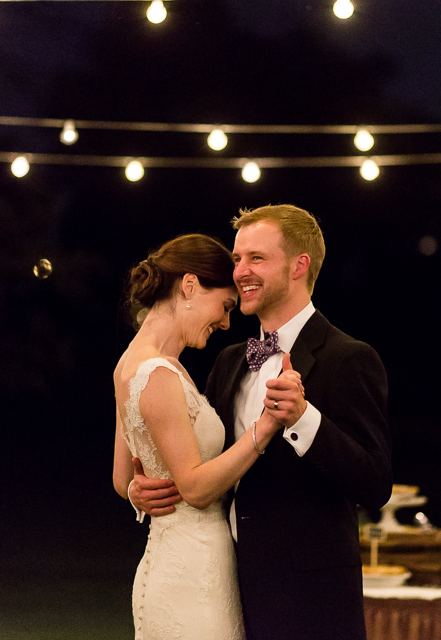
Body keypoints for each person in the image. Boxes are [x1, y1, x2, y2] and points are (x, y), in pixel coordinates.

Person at [133, 205, 393, 640]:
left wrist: (304, 418)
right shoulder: (230, 361)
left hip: (308, 604)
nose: (240, 272)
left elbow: (375, 483)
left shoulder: (348, 358)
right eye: (237, 259)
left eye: (256, 258)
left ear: (299, 265)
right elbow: (203, 464)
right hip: (224, 591)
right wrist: (141, 487)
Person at [112, 233, 302, 640]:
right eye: (226, 306)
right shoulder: (159, 374)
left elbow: (120, 475)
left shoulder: (129, 364)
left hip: (172, 560)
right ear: (190, 286)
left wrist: (135, 491)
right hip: (192, 575)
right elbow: (196, 489)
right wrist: (266, 427)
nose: (226, 322)